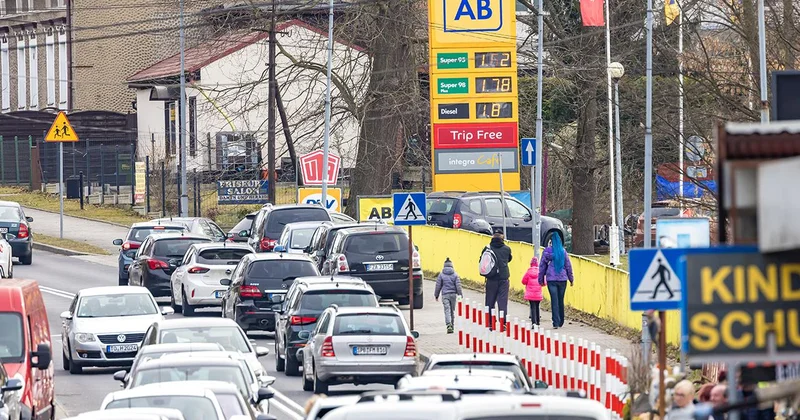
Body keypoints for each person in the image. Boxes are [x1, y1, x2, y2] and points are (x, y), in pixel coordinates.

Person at [537, 234, 573, 329]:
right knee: (561, 299)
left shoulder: (547, 251)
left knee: (554, 300)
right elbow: (568, 266)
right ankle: (561, 320)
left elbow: (542, 266)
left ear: (551, 242)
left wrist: (540, 279)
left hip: (551, 279)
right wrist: (571, 279)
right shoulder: (563, 252)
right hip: (562, 279)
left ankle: (555, 322)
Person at [481, 231, 512, 328]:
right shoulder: (507, 249)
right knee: (502, 301)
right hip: (503, 278)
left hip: (491, 279)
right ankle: (503, 323)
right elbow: (509, 259)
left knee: (490, 301)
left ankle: (490, 323)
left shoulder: (487, 249)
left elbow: (482, 261)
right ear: (502, 239)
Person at [434, 257, 463, 334]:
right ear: (451, 266)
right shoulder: (455, 275)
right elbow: (458, 286)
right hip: (453, 295)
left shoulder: (441, 275)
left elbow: (438, 286)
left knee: (447, 310)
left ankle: (448, 325)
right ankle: (452, 326)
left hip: (445, 295)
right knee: (452, 311)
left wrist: (436, 295)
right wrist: (460, 295)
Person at [521, 256, 543, 325]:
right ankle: (538, 322)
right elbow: (544, 282)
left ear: (531, 264)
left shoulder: (528, 272)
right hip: (538, 294)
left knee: (532, 307)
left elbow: (523, 281)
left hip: (530, 294)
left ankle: (534, 322)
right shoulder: (540, 272)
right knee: (537, 307)